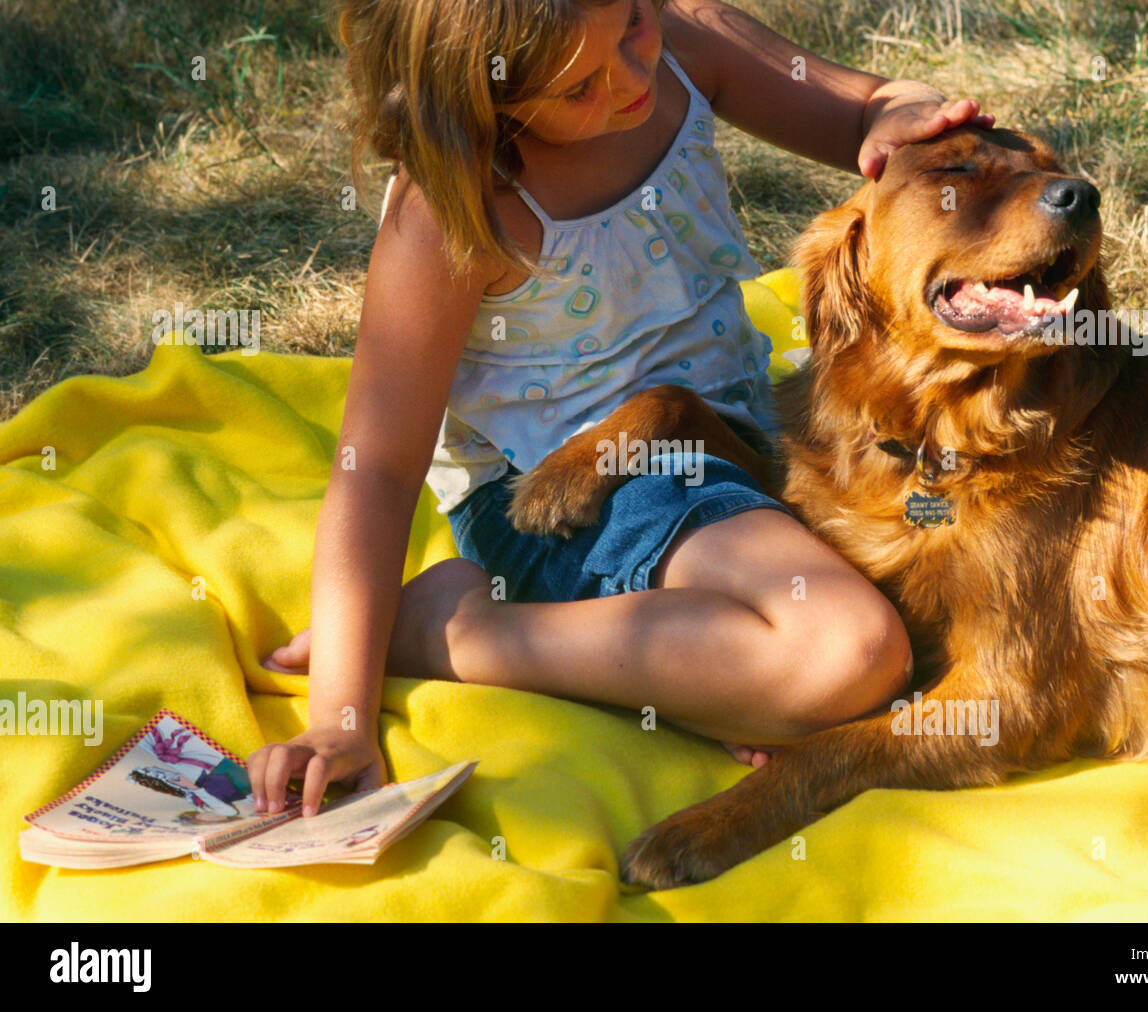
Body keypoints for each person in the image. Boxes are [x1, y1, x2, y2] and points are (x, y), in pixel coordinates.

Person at [250, 0, 994, 819]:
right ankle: (448, 631)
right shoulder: (453, 205)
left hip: (728, 436)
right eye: (578, 88)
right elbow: (378, 467)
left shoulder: (681, 39)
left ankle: (703, 683)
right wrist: (340, 719)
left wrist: (904, 113)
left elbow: (868, 105)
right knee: (848, 651)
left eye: (633, 26)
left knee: (948, 571)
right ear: (482, 98)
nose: (633, 73)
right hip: (563, 495)